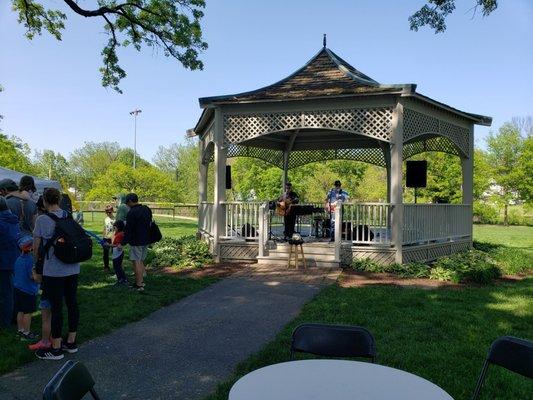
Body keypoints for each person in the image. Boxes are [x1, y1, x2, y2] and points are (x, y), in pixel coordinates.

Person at [33, 188, 80, 360]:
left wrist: (36, 266)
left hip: (54, 270)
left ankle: (56, 347)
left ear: (45, 201)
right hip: (73, 267)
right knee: (72, 303)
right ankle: (71, 341)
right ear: (59, 200)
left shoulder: (42, 220)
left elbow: (37, 247)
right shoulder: (68, 216)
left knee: (56, 307)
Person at [122, 193, 152, 291]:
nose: (127, 205)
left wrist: (123, 242)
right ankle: (141, 281)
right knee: (141, 260)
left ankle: (139, 285)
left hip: (136, 241)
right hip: (146, 239)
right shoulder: (147, 209)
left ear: (130, 201)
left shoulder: (132, 212)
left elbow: (128, 229)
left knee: (136, 262)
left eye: (127, 203)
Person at [14, 235, 39, 342]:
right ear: (31, 248)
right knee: (27, 313)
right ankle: (27, 333)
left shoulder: (18, 259)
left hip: (17, 289)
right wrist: (37, 277)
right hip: (28, 291)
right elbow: (32, 277)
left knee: (20, 310)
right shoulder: (30, 260)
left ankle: (20, 330)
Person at [0, 197, 20, 329]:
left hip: (3, 261)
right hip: (14, 258)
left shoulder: (1, 221)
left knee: (5, 294)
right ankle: (15, 317)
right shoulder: (13, 219)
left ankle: (5, 322)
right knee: (14, 290)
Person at [111, 220, 128, 286]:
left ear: (119, 227)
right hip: (117, 253)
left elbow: (117, 245)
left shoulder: (119, 235)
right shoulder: (119, 233)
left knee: (117, 267)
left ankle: (121, 280)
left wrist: (108, 245)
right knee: (118, 267)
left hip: (117, 254)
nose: (114, 229)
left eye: (115, 227)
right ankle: (123, 279)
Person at [102, 205, 115, 272]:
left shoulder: (115, 219)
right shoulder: (105, 219)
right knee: (105, 253)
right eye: (107, 212)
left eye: (110, 212)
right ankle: (106, 267)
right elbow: (104, 228)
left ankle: (116, 267)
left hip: (113, 239)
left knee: (114, 253)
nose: (108, 214)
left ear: (112, 211)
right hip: (106, 238)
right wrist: (103, 237)